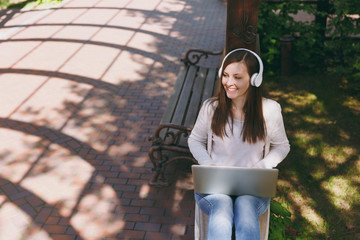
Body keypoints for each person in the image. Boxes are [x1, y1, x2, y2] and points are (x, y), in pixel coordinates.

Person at [188, 48, 290, 240]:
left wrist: (262, 166)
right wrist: (207, 163)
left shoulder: (270, 110)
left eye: (237, 77)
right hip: (213, 188)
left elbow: (282, 146)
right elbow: (195, 140)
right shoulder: (211, 108)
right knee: (222, 208)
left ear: (254, 80)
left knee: (244, 207)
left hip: (253, 190)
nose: (229, 82)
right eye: (225, 75)